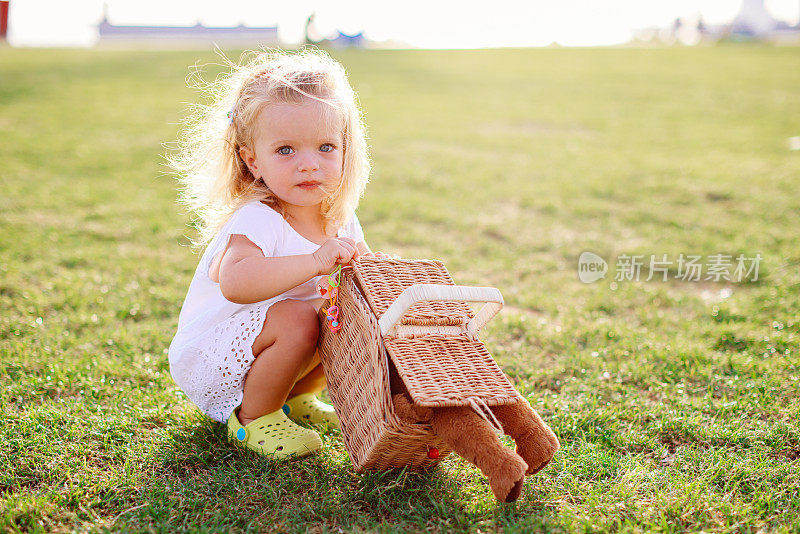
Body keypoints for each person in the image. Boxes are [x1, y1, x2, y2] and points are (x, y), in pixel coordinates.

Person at [168, 48, 384, 459]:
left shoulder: (339, 216)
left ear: (345, 148)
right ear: (253, 160)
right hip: (217, 354)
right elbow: (236, 282)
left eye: (325, 147)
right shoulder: (259, 218)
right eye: (286, 150)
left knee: (338, 313)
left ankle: (295, 395)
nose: (309, 165)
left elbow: (365, 276)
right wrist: (314, 263)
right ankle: (254, 417)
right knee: (300, 315)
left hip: (275, 347)